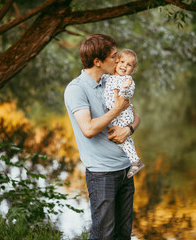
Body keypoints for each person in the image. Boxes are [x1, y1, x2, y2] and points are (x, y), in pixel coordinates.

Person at [64, 34, 141, 240]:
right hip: (102, 174)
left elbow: (136, 117)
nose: (118, 61)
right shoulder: (76, 89)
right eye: (114, 56)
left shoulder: (112, 81)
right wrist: (116, 110)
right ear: (97, 61)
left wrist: (129, 130)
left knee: (123, 234)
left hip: (125, 170)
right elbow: (88, 129)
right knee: (103, 235)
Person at [103, 49, 145, 178]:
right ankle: (134, 160)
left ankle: (135, 161)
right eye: (122, 62)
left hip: (123, 114)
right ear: (116, 62)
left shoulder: (127, 80)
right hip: (117, 113)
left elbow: (128, 95)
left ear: (132, 70)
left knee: (122, 139)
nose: (124, 66)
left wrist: (125, 88)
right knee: (124, 139)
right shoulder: (110, 77)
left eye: (129, 65)